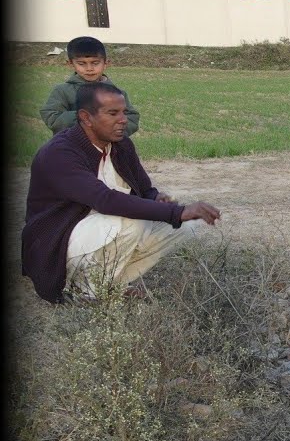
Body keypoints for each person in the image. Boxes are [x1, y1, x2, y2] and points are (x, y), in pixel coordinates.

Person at [21, 82, 219, 304]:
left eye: (124, 112)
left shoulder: (121, 145)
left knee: (185, 226)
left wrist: (157, 199)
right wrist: (177, 211)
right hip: (57, 239)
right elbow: (105, 200)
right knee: (131, 221)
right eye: (113, 113)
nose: (123, 119)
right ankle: (86, 294)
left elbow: (145, 189)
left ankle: (111, 284)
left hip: (100, 230)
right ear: (86, 118)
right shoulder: (60, 153)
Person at [41, 36, 141, 136]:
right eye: (81, 63)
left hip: (109, 147)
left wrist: (110, 128)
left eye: (95, 63)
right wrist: (85, 116)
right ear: (71, 64)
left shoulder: (118, 93)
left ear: (106, 63)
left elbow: (132, 119)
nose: (89, 68)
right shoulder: (62, 91)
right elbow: (52, 118)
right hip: (73, 146)